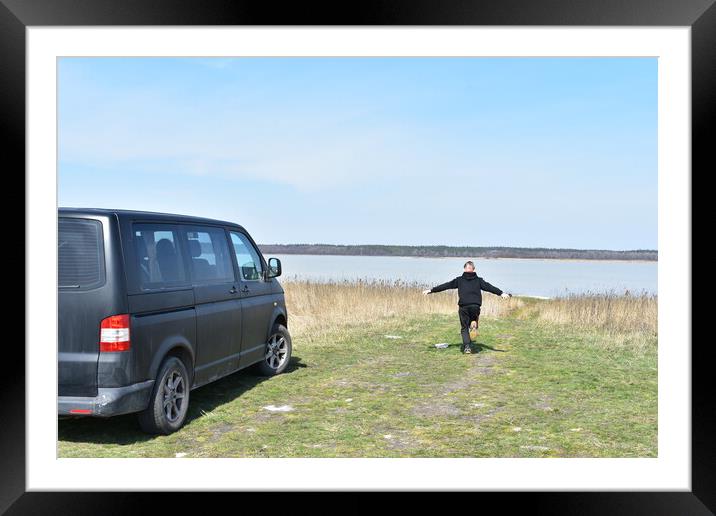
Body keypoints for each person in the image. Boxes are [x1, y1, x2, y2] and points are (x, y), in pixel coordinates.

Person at [423, 261, 511, 354]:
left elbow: (446, 286)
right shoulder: (479, 280)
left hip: (464, 307)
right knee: (473, 317)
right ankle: (474, 322)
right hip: (475, 306)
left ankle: (467, 347)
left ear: (465, 269)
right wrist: (501, 293)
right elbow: (490, 287)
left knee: (464, 327)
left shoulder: (459, 280)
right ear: (473, 269)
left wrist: (431, 290)